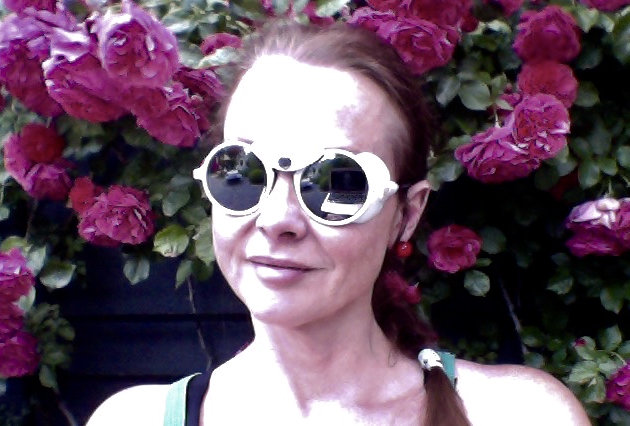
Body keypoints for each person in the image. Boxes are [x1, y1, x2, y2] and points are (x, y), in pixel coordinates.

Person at [87, 21, 591, 426]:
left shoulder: (516, 415)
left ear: (407, 214)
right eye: (242, 172)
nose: (278, 219)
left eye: (336, 182)